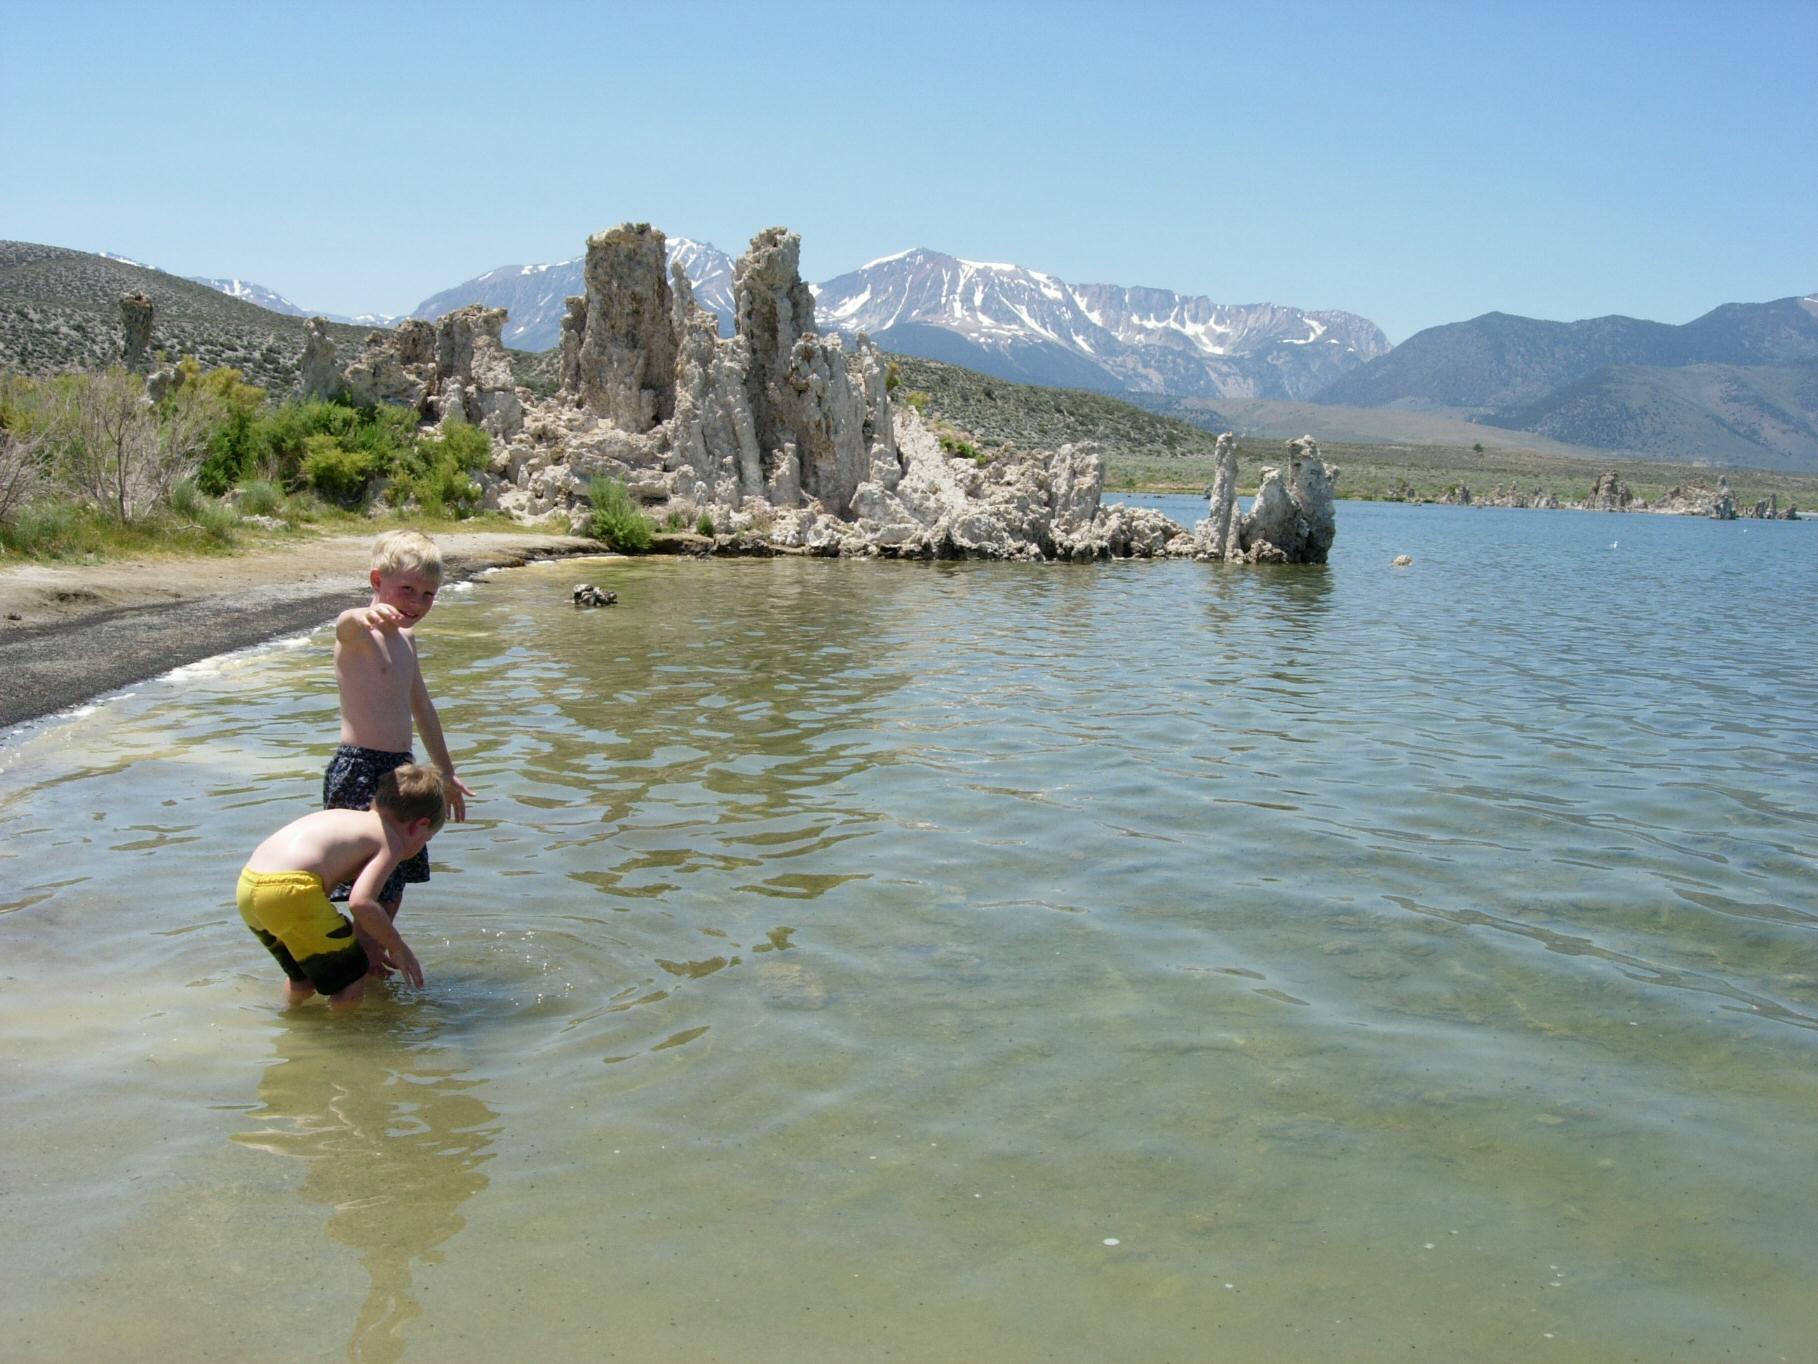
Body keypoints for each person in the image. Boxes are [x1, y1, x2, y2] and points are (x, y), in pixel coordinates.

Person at [322, 530, 474, 942]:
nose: (417, 602)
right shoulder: (360, 633)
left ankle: (372, 962)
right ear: (377, 581)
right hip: (359, 768)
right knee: (363, 884)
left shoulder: (407, 640)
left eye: (428, 594)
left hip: (401, 772)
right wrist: (359, 616)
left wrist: (446, 773)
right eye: (407, 589)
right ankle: (357, 961)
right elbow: (343, 627)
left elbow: (423, 709)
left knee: (393, 887)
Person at [237, 765, 447, 1006]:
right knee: (352, 978)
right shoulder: (391, 841)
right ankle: (342, 1030)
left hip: (248, 885)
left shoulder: (346, 817)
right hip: (292, 890)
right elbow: (361, 902)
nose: (422, 845)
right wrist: (397, 947)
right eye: (427, 838)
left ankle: (292, 1018)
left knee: (304, 977)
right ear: (418, 826)